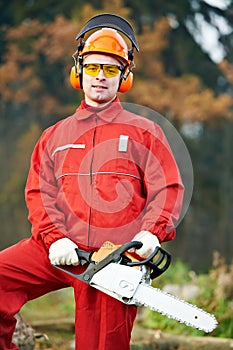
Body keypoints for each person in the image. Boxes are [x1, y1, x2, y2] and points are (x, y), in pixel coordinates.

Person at [0, 14, 184, 350]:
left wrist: (150, 233)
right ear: (79, 72)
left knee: (99, 345)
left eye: (111, 70)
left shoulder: (145, 132)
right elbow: (39, 193)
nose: (100, 77)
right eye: (94, 67)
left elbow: (167, 189)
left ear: (123, 77)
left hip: (113, 259)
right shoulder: (54, 136)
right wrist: (55, 239)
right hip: (59, 250)